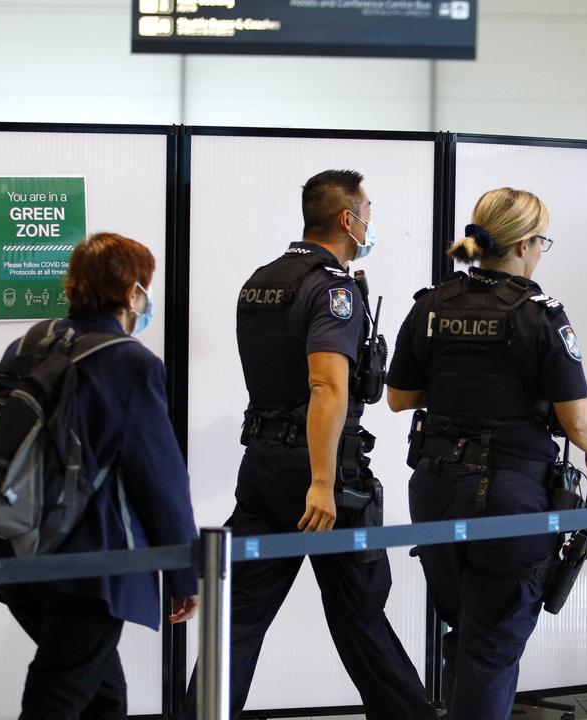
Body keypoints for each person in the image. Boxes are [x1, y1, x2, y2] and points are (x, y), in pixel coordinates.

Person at [180, 170, 435, 720]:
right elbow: (325, 385)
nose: (370, 221)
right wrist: (322, 482)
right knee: (360, 614)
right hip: (324, 480)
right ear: (348, 218)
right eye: (367, 210)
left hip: (263, 469)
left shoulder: (262, 280)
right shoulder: (333, 288)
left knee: (239, 620)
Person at [385, 187, 587, 720]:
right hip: (510, 498)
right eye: (542, 242)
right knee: (493, 644)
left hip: (436, 490)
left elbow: (398, 398)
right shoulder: (541, 314)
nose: (540, 253)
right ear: (524, 244)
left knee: (467, 629)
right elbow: (575, 418)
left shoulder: (432, 305)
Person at [0, 232, 200, 719]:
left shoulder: (31, 341)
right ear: (131, 293)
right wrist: (184, 570)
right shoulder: (130, 362)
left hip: (19, 548)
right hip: (90, 562)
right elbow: (159, 477)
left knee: (102, 698)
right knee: (58, 698)